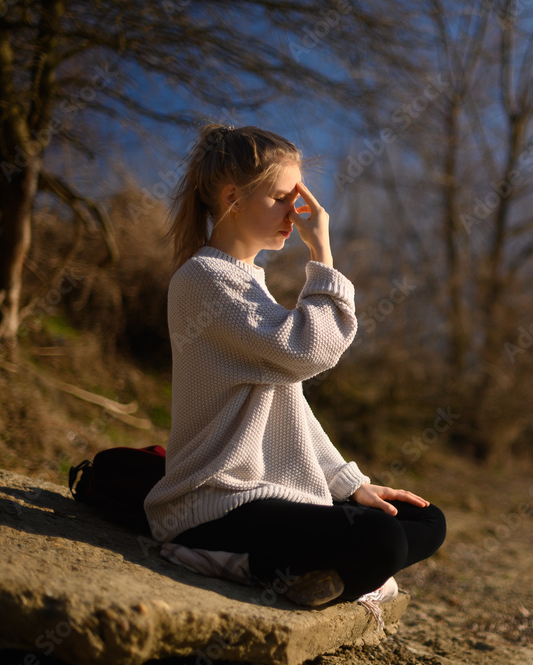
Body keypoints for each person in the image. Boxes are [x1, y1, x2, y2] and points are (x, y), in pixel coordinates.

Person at [143, 124, 446, 607]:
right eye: (283, 198)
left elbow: (290, 409)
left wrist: (353, 484)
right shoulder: (204, 278)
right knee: (381, 541)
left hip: (271, 493)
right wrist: (322, 254)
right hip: (216, 503)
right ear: (232, 198)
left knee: (426, 520)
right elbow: (306, 351)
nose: (297, 213)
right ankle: (237, 562)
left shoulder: (247, 283)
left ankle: (330, 573)